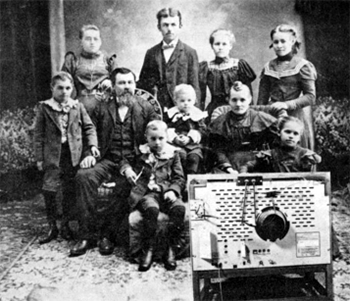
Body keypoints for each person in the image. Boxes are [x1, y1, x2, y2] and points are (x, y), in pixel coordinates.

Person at [71, 67, 160, 257]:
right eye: (121, 83)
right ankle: (86, 235)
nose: (126, 87)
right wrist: (88, 154)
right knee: (83, 177)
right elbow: (89, 134)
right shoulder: (101, 107)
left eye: (130, 82)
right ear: (113, 85)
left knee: (125, 186)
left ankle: (107, 235)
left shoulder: (145, 107)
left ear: (135, 85)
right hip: (106, 157)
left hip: (135, 160)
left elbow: (156, 136)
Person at [34, 71, 98, 244]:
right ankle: (52, 226)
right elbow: (38, 134)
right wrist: (39, 158)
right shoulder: (45, 107)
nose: (64, 92)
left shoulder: (77, 106)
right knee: (50, 190)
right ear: (52, 88)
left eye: (68, 88)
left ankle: (65, 225)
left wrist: (92, 145)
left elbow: (89, 128)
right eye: (60, 88)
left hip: (72, 154)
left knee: (69, 190)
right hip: (52, 156)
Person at [127, 120, 186, 271]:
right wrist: (127, 169)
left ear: (167, 137)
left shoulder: (173, 154)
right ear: (146, 137)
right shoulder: (140, 152)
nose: (157, 142)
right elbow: (124, 161)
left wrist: (173, 190)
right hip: (148, 193)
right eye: (153, 138)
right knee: (151, 210)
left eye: (161, 138)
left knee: (179, 209)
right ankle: (149, 248)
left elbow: (179, 178)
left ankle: (169, 248)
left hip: (167, 191)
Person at [257, 24, 317, 150]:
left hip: (294, 117)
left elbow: (310, 97)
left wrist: (286, 105)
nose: (279, 45)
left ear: (292, 41)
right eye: (276, 42)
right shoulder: (268, 67)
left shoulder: (303, 66)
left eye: (283, 41)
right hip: (271, 117)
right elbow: (261, 101)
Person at [138, 7, 200, 112]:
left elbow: (195, 87)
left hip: (182, 109)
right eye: (165, 25)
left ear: (180, 26)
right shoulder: (151, 53)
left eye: (173, 24)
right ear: (159, 27)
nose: (170, 29)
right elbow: (143, 84)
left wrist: (194, 115)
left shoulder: (190, 53)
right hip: (157, 108)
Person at [209, 81, 278, 174]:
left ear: (250, 99)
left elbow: (277, 143)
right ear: (228, 100)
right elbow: (218, 150)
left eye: (242, 100)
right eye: (234, 100)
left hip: (256, 163)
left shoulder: (261, 118)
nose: (238, 104)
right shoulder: (221, 122)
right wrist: (228, 168)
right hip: (230, 165)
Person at [199, 29, 256, 118]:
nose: (220, 47)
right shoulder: (207, 67)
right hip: (215, 109)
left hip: (237, 107)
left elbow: (248, 94)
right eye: (217, 44)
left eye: (224, 44)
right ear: (212, 46)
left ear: (230, 46)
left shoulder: (238, 65)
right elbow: (201, 96)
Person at [62, 24, 117, 116]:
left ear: (100, 41)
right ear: (81, 41)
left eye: (96, 39)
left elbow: (119, 82)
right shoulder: (73, 59)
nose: (92, 42)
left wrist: (110, 83)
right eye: (88, 39)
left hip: (105, 107)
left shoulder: (109, 60)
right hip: (80, 106)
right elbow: (62, 83)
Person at [240, 116, 321, 173]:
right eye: (287, 132)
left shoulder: (304, 154)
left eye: (295, 134)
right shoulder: (270, 154)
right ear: (279, 132)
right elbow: (247, 165)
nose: (291, 136)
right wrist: (243, 173)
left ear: (299, 137)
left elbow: (317, 161)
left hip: (299, 191)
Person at [164, 84, 207, 175]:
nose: (186, 103)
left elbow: (203, 130)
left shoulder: (197, 114)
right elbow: (165, 128)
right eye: (182, 100)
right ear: (176, 101)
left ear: (194, 101)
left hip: (193, 145)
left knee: (194, 157)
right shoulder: (171, 114)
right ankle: (181, 177)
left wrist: (190, 138)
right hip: (176, 144)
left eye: (189, 100)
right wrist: (175, 138)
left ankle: (192, 177)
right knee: (180, 156)